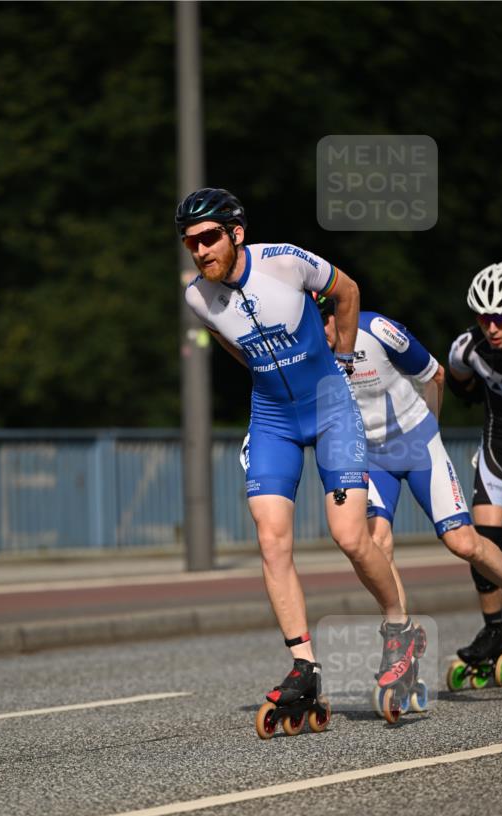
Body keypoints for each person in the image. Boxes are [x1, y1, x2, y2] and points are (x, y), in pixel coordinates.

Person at [176, 186, 415, 726]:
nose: (200, 251)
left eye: (209, 238)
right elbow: (236, 347)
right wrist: (268, 382)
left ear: (236, 234)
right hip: (273, 419)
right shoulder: (197, 298)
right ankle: (303, 665)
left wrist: (347, 361)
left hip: (330, 407)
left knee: (351, 537)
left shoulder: (285, 262)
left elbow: (348, 290)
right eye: (190, 242)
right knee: (270, 538)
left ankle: (399, 632)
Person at [316, 293, 502, 617]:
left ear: (338, 313)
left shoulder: (376, 328)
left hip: (417, 441)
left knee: (462, 542)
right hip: (372, 456)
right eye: (312, 321)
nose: (320, 329)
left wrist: (429, 433)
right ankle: (401, 636)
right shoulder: (309, 352)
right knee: (376, 543)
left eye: (324, 318)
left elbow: (435, 374)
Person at [446, 262, 502, 675]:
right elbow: (458, 380)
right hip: (499, 450)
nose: (492, 327)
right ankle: (493, 630)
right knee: (482, 542)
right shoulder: (465, 348)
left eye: (501, 317)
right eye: (484, 317)